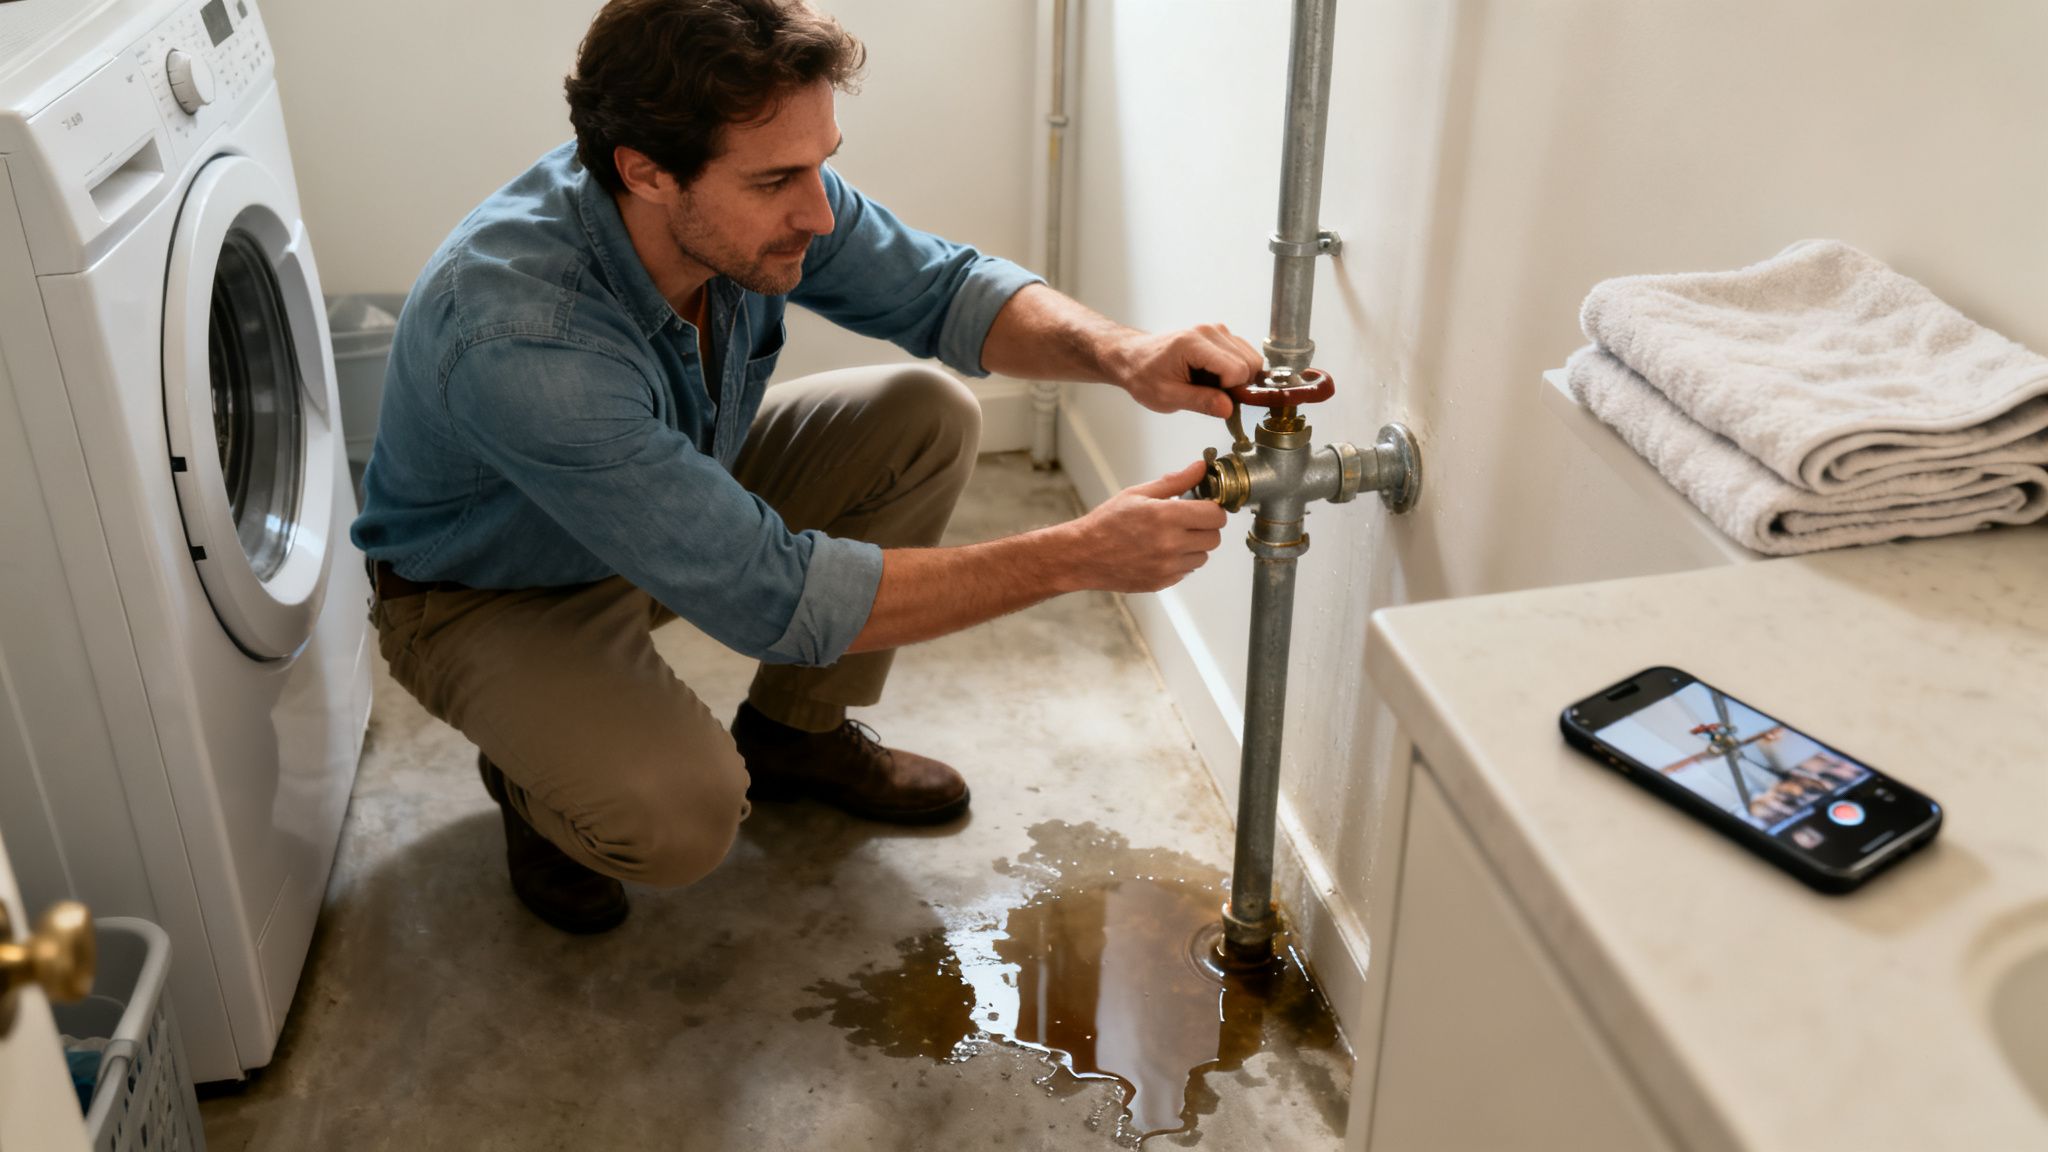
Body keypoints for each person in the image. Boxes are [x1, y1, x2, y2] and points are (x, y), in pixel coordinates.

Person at [351, 0, 1259, 934]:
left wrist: (1125, 352)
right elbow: (772, 597)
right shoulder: (521, 333)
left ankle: (796, 736)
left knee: (923, 415)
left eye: (822, 161)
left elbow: (943, 288)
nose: (820, 209)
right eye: (780, 177)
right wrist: (1078, 556)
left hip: (662, 503)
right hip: (493, 590)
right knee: (681, 819)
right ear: (647, 172)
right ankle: (535, 776)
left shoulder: (741, 202)